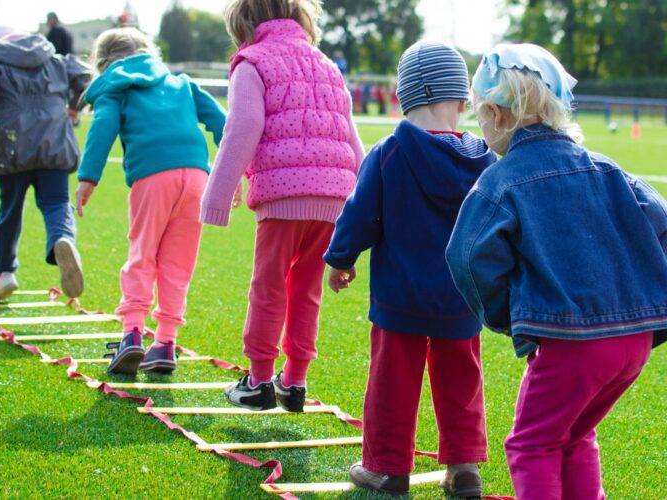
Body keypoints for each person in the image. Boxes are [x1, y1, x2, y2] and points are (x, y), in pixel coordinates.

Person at [446, 43, 667, 500]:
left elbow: (465, 257)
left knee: (532, 444)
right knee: (575, 434)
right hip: (634, 343)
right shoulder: (608, 169)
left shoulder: (501, 180)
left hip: (572, 346)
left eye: (480, 117)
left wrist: (509, 319)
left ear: (496, 113)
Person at [324, 41, 496, 497]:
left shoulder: (388, 153)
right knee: (462, 381)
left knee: (392, 383)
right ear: (462, 101)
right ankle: (464, 468)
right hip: (463, 297)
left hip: (399, 297)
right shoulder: (486, 159)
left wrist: (341, 259)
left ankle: (387, 467)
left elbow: (359, 214)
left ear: (401, 97)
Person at [201, 0, 365, 412]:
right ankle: (294, 381)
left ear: (244, 26)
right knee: (306, 290)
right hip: (334, 197)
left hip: (282, 195)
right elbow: (350, 135)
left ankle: (258, 381)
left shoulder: (251, 62)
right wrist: (363, 205)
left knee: (268, 286)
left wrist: (217, 196)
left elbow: (243, 126)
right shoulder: (327, 65)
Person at [75, 27, 226, 375]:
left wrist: (88, 178)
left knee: (142, 253)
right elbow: (223, 123)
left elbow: (103, 127)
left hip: (153, 176)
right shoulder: (182, 83)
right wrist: (233, 172)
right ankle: (165, 343)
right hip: (197, 178)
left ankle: (132, 335)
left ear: (103, 63)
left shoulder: (116, 87)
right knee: (178, 263)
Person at [0, 22, 91, 302]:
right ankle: (62, 239)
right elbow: (83, 76)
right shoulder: (52, 57)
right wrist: (74, 106)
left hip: (12, 143)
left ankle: (4, 274)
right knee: (57, 202)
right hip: (55, 140)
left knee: (10, 209)